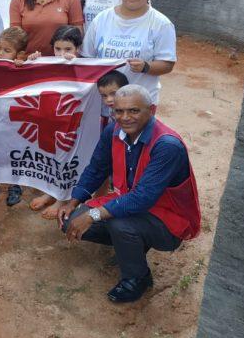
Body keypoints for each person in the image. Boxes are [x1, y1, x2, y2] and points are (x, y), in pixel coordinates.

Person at [57, 85, 201, 303]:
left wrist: (92, 215)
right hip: (129, 201)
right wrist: (74, 201)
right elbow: (97, 168)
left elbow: (142, 198)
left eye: (134, 111)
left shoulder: (167, 145)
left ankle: (137, 279)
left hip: (168, 218)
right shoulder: (113, 131)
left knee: (120, 224)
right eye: (119, 111)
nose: (125, 117)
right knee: (70, 221)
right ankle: (133, 246)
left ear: (151, 110)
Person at [81, 0, 176, 104]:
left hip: (139, 104)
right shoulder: (102, 19)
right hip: (104, 104)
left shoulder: (161, 24)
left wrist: (146, 67)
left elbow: (167, 64)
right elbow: (87, 57)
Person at [24, 26, 85, 217]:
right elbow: (29, 80)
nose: (62, 54)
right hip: (50, 118)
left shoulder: (86, 66)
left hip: (71, 121)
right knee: (50, 155)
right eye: (58, 49)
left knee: (67, 157)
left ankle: (62, 198)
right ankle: (51, 192)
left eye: (68, 49)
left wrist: (77, 64)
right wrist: (32, 61)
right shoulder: (49, 63)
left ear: (78, 49)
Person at [0, 27, 30, 207]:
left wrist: (28, 61)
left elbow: (37, 62)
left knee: (16, 151)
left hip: (16, 120)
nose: (1, 53)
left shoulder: (26, 66)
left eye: (7, 50)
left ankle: (15, 185)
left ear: (20, 54)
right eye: (0, 47)